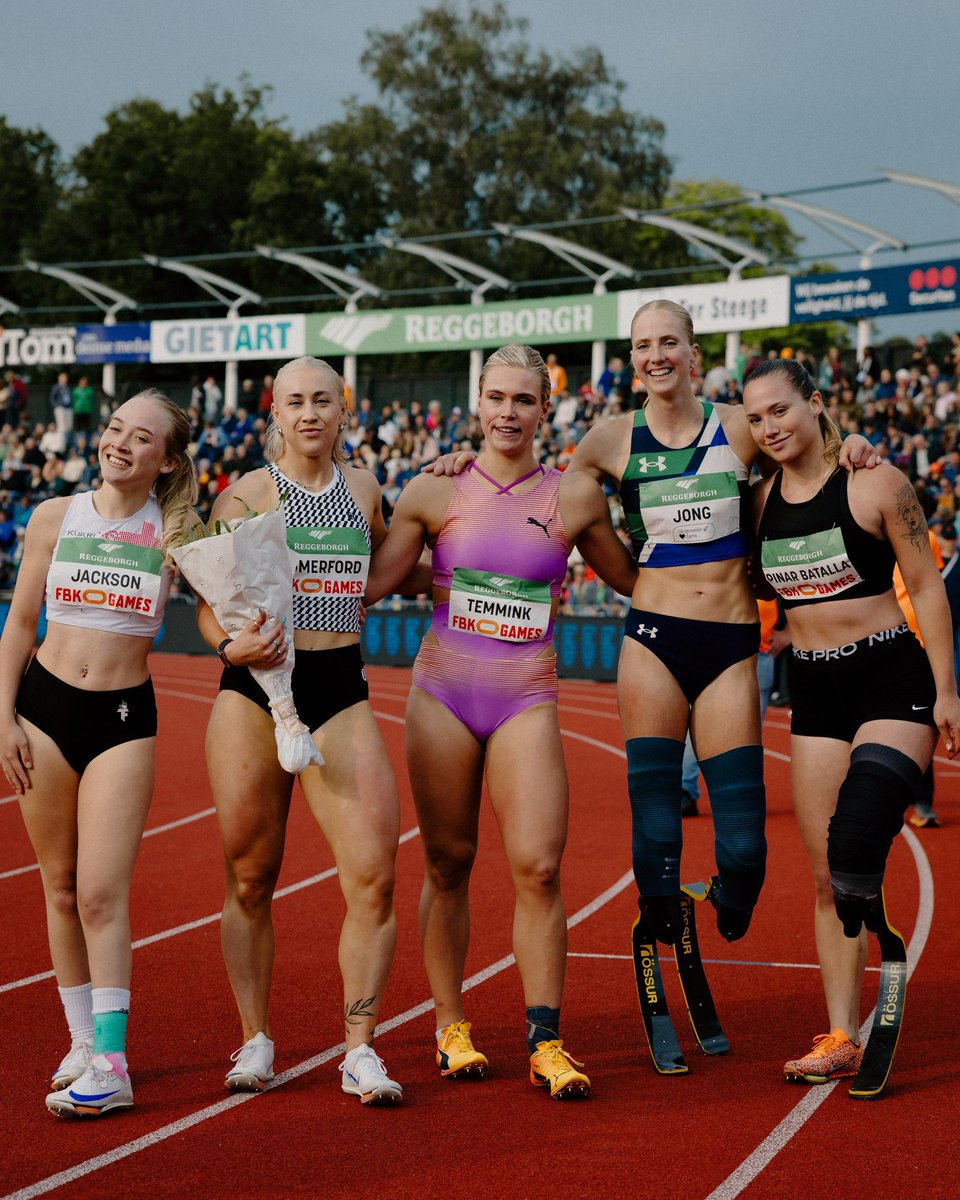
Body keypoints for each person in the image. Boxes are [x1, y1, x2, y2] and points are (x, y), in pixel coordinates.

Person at [564, 299, 879, 957]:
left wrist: (848, 442)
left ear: (693, 353)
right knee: (657, 824)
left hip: (730, 645)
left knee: (741, 846)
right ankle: (658, 911)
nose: (656, 355)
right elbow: (563, 506)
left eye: (669, 342)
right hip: (653, 641)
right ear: (632, 359)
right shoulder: (608, 440)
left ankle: (733, 892)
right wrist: (630, 579)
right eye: (644, 345)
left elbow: (808, 455)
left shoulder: (739, 426)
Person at [365, 344, 637, 1100]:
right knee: (448, 863)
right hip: (443, 695)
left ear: (546, 409)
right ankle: (450, 1027)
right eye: (497, 397)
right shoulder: (433, 488)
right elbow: (375, 582)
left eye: (524, 399)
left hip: (526, 696)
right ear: (476, 402)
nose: (508, 412)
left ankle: (546, 1040)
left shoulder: (573, 495)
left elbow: (632, 578)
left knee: (540, 867)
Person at [743, 357, 960, 1084]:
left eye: (780, 410)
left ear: (814, 403)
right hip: (816, 694)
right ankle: (841, 1034)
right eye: (755, 418)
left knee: (856, 838)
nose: (768, 427)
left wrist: (948, 690)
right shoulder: (758, 501)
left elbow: (926, 587)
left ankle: (882, 938)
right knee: (825, 877)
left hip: (893, 681)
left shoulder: (876, 482)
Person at [198, 355, 405, 1106]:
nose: (310, 413)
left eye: (323, 400)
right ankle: (255, 1037)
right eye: (295, 402)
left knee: (375, 875)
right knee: (251, 875)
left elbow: (392, 561)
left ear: (344, 409)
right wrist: (231, 648)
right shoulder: (246, 495)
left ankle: (359, 1048)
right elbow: (208, 602)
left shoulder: (365, 490)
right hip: (254, 692)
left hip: (338, 685)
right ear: (275, 414)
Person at [0, 389, 196, 1116]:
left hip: (121, 718)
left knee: (100, 893)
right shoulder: (55, 516)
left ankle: (113, 1063)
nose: (119, 442)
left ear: (166, 460)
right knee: (58, 887)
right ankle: (82, 1042)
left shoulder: (178, 532)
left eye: (141, 437)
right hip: (43, 713)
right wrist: (3, 718)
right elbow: (20, 623)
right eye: (115, 428)